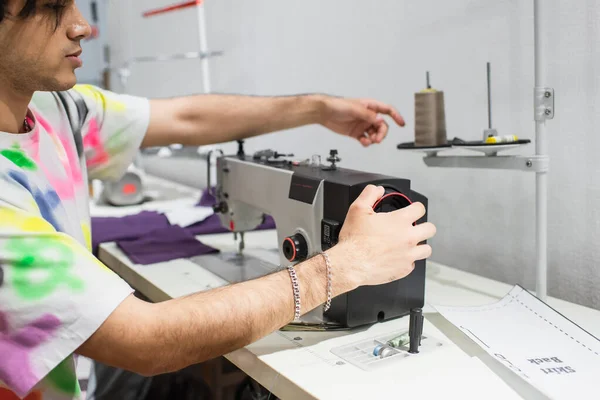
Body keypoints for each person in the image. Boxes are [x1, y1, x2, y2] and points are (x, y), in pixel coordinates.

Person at [0, 1, 437, 399]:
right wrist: (341, 268)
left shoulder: (55, 106)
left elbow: (186, 118)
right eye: (55, 7)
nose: (82, 27)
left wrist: (318, 108)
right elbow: (145, 340)